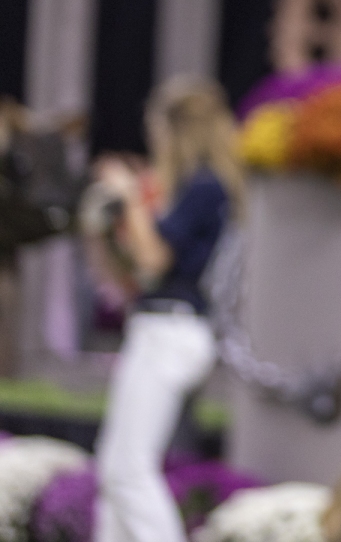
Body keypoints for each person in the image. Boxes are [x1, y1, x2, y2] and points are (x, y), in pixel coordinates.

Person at [87, 76, 242, 542]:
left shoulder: (206, 188)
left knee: (129, 471)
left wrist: (130, 194)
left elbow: (155, 259)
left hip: (173, 332)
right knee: (113, 468)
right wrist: (103, 231)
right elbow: (137, 276)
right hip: (160, 328)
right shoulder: (197, 190)